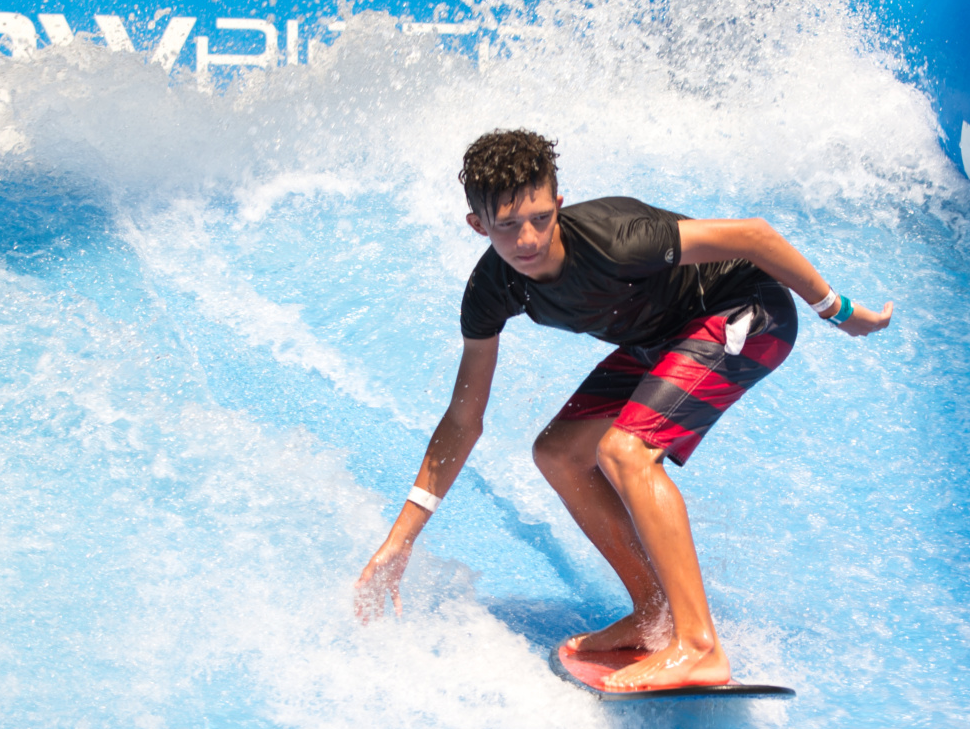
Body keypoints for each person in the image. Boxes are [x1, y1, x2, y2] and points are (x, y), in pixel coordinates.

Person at [352, 129, 893, 691]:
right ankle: (655, 612)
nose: (529, 238)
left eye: (540, 217)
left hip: (745, 314)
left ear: (558, 205)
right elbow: (463, 418)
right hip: (663, 338)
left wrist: (839, 309)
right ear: (478, 226)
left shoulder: (616, 240)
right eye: (507, 226)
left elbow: (753, 237)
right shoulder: (492, 290)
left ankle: (699, 645)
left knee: (625, 448)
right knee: (558, 453)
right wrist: (402, 536)